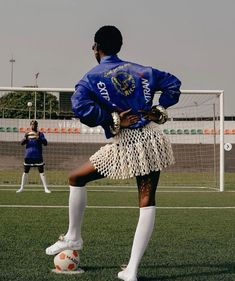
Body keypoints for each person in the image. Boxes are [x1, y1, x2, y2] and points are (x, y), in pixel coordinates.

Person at [46, 25, 181, 281]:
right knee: (146, 201)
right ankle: (131, 269)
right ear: (119, 46)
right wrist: (160, 107)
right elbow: (173, 83)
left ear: (96, 47)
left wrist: (111, 119)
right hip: (152, 140)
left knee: (76, 178)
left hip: (128, 142)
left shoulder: (90, 77)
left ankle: (74, 235)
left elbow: (80, 107)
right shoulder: (143, 70)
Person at [16, 120, 51, 193]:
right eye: (32, 125)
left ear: (37, 125)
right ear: (30, 125)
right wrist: (25, 138)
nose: (33, 126)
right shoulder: (27, 134)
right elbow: (21, 143)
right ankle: (21, 188)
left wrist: (39, 138)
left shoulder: (40, 134)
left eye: (34, 125)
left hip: (38, 155)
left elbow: (45, 143)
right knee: (25, 172)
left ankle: (45, 188)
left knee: (41, 172)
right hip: (28, 156)